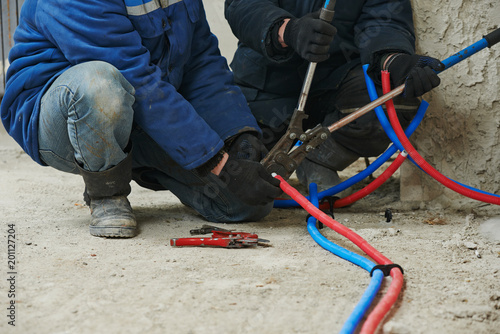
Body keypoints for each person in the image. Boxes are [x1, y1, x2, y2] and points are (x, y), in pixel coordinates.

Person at [0, 0, 282, 238]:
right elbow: (139, 81)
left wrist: (239, 134)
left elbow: (201, 62)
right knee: (100, 84)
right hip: (61, 117)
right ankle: (107, 193)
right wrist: (216, 162)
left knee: (246, 204)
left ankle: (140, 161)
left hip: (141, 110)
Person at [224, 0, 444, 191]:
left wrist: (393, 61)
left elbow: (384, 22)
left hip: (337, 86)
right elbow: (244, 6)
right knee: (236, 177)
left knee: (394, 100)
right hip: (265, 94)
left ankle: (316, 158)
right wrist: (288, 30)